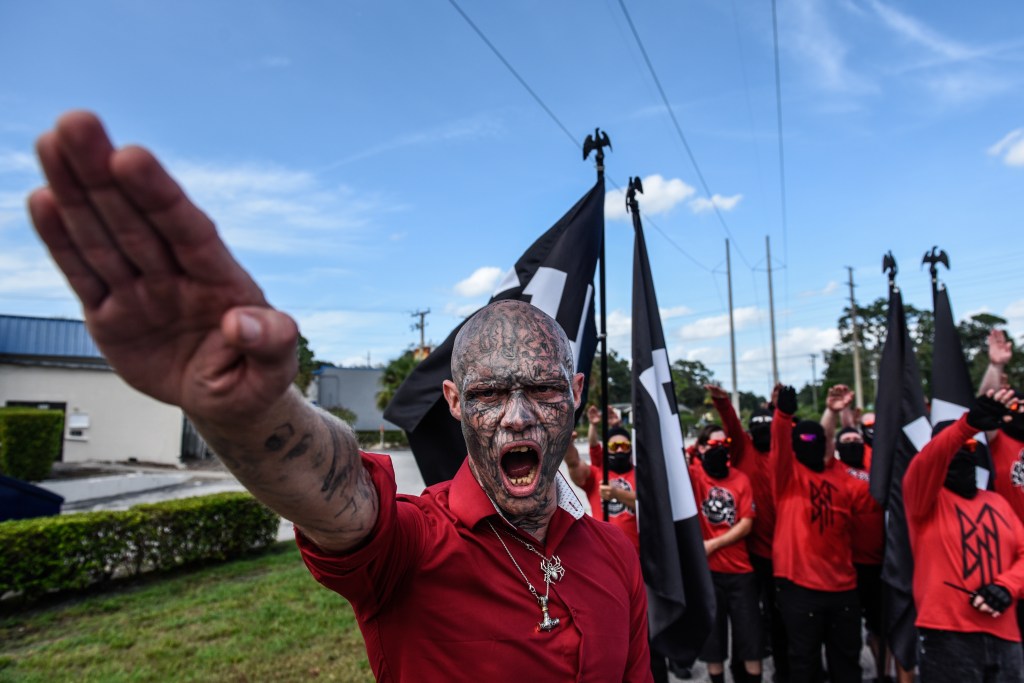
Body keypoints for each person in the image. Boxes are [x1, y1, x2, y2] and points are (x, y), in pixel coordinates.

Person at [27, 111, 653, 682]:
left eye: (542, 390)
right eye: (490, 394)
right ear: (455, 403)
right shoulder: (410, 547)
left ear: (574, 394)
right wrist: (249, 412)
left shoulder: (615, 557)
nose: (517, 418)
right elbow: (335, 495)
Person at [903, 390, 1024, 683]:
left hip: (1005, 634)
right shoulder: (923, 500)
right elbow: (928, 462)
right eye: (956, 448)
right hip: (947, 635)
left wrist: (1006, 587)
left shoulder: (997, 503)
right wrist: (966, 426)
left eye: (970, 447)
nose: (963, 453)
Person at [771, 385, 861, 683]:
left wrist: (833, 412)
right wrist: (783, 415)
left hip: (843, 587)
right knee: (804, 662)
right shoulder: (788, 475)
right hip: (800, 588)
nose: (812, 444)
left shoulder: (840, 474)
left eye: (818, 440)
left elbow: (820, 440)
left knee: (846, 662)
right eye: (804, 441)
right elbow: (784, 444)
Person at [707, 384, 788, 682]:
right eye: (758, 427)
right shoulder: (745, 450)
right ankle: (740, 670)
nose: (764, 431)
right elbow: (732, 426)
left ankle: (783, 670)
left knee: (780, 619)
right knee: (748, 620)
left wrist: (780, 409)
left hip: (784, 554)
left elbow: (784, 428)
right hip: (752, 552)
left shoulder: (783, 452)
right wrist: (722, 401)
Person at [689, 421, 763, 683]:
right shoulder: (695, 475)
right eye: (713, 445)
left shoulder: (740, 478)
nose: (719, 450)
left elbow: (746, 523)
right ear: (701, 448)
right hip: (709, 575)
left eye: (724, 444)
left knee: (750, 638)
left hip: (740, 573)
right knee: (713, 641)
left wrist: (713, 545)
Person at [564, 405, 639, 550]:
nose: (619, 449)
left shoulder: (639, 475)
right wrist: (567, 444)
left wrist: (616, 493)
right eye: (614, 445)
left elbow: (647, 505)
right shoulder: (597, 474)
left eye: (624, 446)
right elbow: (574, 464)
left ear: (631, 448)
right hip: (604, 554)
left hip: (637, 555)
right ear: (606, 449)